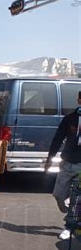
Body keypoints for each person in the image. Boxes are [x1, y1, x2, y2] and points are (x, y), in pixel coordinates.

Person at [45, 91, 81, 240]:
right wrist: (50, 158)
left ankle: (69, 226)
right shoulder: (70, 119)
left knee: (77, 198)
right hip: (67, 162)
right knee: (59, 194)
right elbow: (58, 138)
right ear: (79, 100)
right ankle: (67, 209)